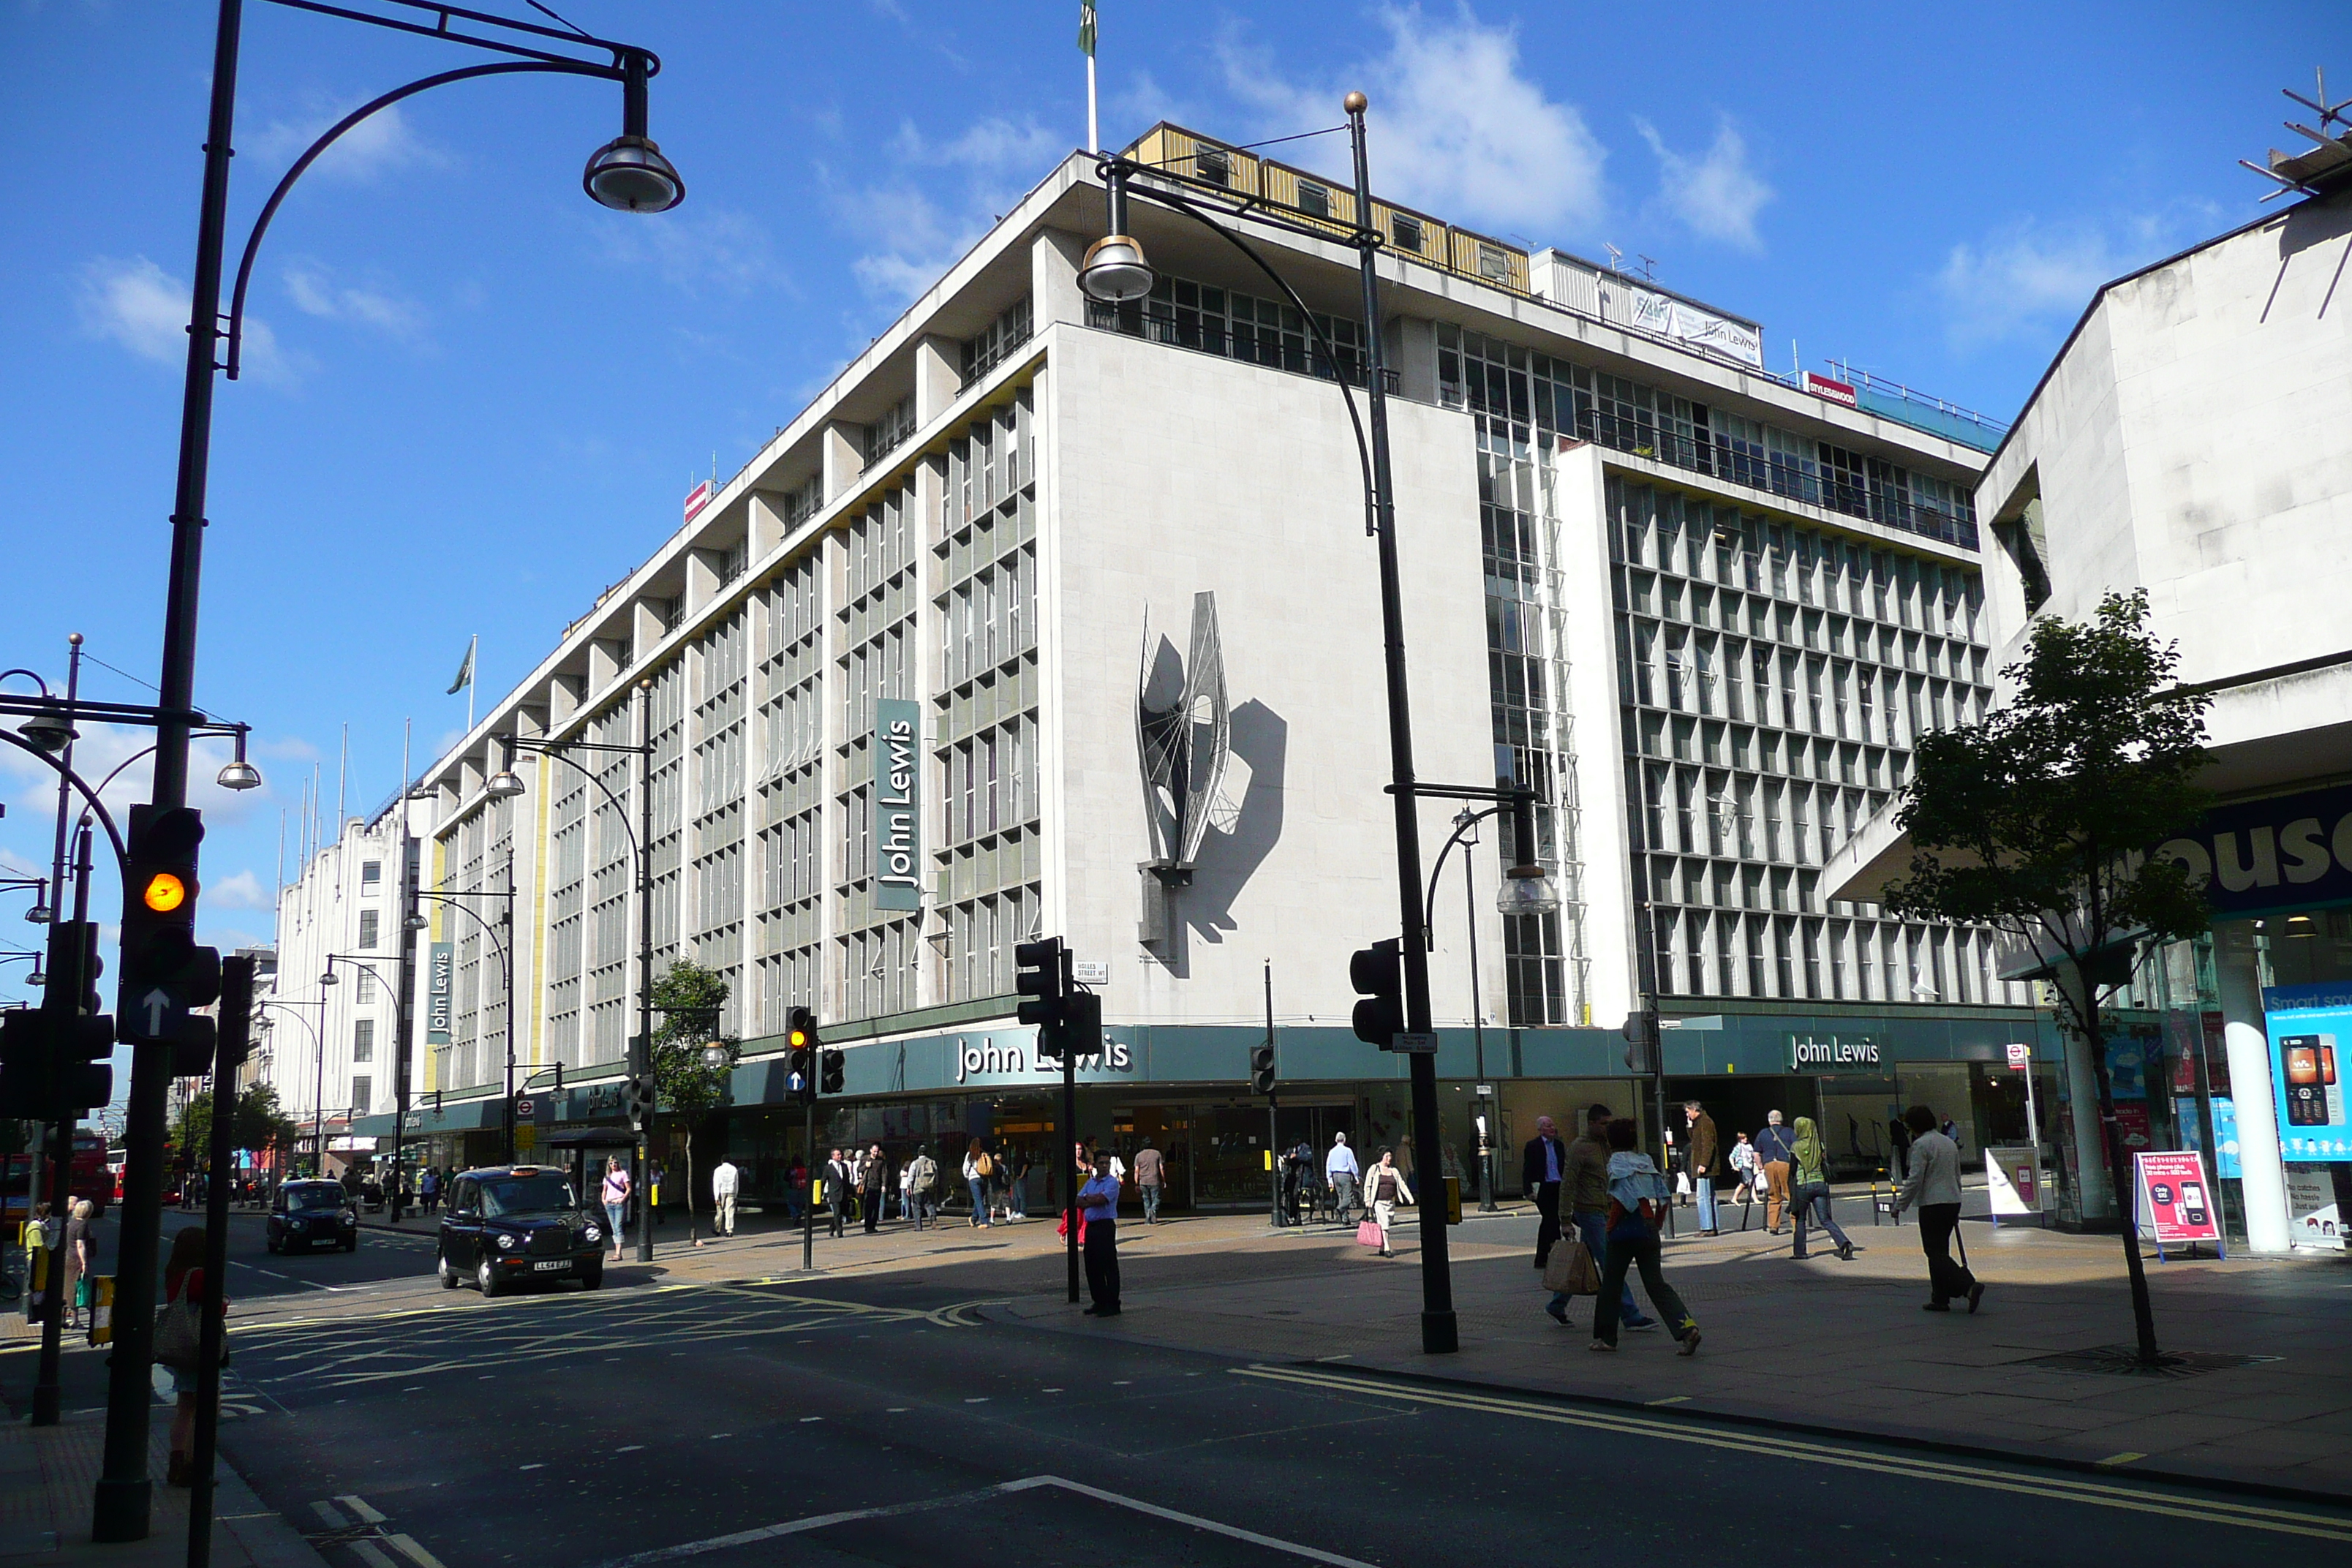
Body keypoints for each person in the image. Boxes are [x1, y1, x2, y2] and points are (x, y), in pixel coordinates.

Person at [1589, 1119, 1702, 1356]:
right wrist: (1657, 1223)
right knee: (1656, 1284)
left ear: (1611, 1141)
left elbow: (1621, 1200)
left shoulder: (1616, 1163)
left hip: (1624, 1229)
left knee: (1611, 1284)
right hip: (1648, 1227)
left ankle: (1607, 1338)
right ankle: (1686, 1327)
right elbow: (1663, 1196)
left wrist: (1610, 1228)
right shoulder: (1645, 1161)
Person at [1556, 1103, 1655, 1332]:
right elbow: (1568, 1183)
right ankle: (1630, 1314)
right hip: (1589, 1211)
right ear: (1591, 1123)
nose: (1607, 1128)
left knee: (1583, 1261)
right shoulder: (1579, 1148)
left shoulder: (1611, 1147)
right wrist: (1564, 1218)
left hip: (1608, 1209)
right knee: (1611, 1263)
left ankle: (1557, 1303)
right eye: (1603, 1124)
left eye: (1609, 1124)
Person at [1893, 1105, 1982, 1313]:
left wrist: (1900, 1205)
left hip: (1932, 1203)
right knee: (1940, 1249)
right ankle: (1940, 1298)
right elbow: (1956, 1175)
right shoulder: (1948, 1143)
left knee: (1934, 1251)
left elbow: (1915, 1179)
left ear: (1914, 1126)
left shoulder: (1921, 1145)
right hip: (1952, 1200)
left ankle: (1968, 1285)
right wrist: (1957, 1201)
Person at [162, 1224, 224, 1485]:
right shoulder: (198, 1275)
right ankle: (194, 1464)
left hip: (181, 1347)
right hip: (199, 1347)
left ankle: (178, 1462)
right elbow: (213, 1308)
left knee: (185, 1407)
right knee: (207, 1408)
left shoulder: (174, 1272)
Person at [1789, 1115, 1855, 1262]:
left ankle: (1800, 1252)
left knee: (1800, 1220)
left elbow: (1793, 1169)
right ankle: (1845, 1243)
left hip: (1804, 1185)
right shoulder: (1819, 1145)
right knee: (1825, 1219)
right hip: (1820, 1184)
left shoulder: (1796, 1146)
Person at [1078, 1150, 1123, 1316]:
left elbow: (1101, 1200)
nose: (1104, 1166)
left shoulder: (1112, 1183)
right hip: (1091, 1227)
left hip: (1105, 1226)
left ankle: (1112, 1303)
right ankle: (1099, 1301)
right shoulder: (1090, 1182)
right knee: (1092, 1265)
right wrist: (1091, 1199)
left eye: (1107, 1163)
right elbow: (1078, 1200)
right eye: (1102, 1163)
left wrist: (1088, 1199)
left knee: (1108, 1265)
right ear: (1095, 1164)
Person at [1522, 1115, 1569, 1270]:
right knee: (1551, 1219)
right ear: (1541, 1129)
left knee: (1551, 1221)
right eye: (1548, 1126)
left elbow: (1564, 1166)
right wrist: (1528, 1190)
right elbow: (1527, 1169)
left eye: (1553, 1125)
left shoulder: (1559, 1145)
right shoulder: (1533, 1146)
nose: (1552, 1128)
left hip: (1558, 1185)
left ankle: (1546, 1256)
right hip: (1542, 1187)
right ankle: (1551, 1254)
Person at [1363, 1147, 1412, 1259]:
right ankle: (1387, 1247)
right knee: (1384, 1223)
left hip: (1390, 1203)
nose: (1389, 1158)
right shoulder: (1374, 1169)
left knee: (1384, 1224)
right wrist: (1368, 1200)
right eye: (1387, 1156)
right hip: (1378, 1203)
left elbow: (1401, 1184)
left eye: (1390, 1156)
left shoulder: (1394, 1171)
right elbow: (1367, 1185)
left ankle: (1381, 1247)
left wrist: (1409, 1197)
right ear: (1382, 1157)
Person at [1754, 1109, 1797, 1234]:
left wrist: (1760, 1166)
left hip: (1769, 1165)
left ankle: (1773, 1225)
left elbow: (1756, 1153)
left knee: (1773, 1195)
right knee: (1790, 1194)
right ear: (1781, 1120)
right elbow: (1795, 1149)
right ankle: (1796, 1224)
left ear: (1769, 1120)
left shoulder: (1763, 1133)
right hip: (1785, 1164)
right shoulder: (1789, 1132)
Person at [1684, 1102, 1721, 1235]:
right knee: (1710, 1196)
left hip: (1704, 1167)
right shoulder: (1701, 1122)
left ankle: (1707, 1227)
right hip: (1706, 1166)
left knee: (1703, 1196)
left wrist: (1704, 1164)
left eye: (1688, 1112)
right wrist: (1689, 1125)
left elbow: (1707, 1144)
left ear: (1695, 1110)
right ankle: (1712, 1226)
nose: (1687, 1115)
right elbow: (1694, 1137)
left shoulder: (1705, 1122)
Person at [61, 1199, 94, 1330]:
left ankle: (63, 1318)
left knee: (67, 1288)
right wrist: (84, 1263)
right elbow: (81, 1245)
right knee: (77, 1289)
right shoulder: (82, 1225)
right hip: (76, 1260)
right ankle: (75, 1321)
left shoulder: (71, 1223)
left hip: (68, 1257)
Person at [600, 1158, 630, 1262]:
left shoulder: (623, 1174)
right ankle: (617, 1252)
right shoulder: (607, 1177)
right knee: (614, 1228)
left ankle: (618, 1253)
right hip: (609, 1204)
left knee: (618, 1226)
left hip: (618, 1204)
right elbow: (605, 1190)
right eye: (611, 1163)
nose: (614, 1165)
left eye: (615, 1163)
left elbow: (628, 1188)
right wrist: (603, 1200)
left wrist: (622, 1199)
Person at [1325, 1132, 1360, 1224]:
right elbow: (1352, 1164)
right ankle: (1339, 1209)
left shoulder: (1332, 1152)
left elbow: (1328, 1166)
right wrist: (1356, 1176)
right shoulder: (1347, 1151)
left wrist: (1330, 1179)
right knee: (1348, 1198)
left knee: (1341, 1197)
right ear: (1344, 1140)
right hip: (1345, 1175)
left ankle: (1345, 1219)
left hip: (1335, 1175)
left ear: (1336, 1140)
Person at [1134, 1138, 1165, 1224]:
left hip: (1143, 1181)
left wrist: (1136, 1183)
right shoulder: (1157, 1154)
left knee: (1146, 1199)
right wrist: (1163, 1179)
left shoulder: (1139, 1155)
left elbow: (1137, 1171)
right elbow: (1161, 1168)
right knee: (1156, 1198)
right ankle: (1153, 1210)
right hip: (1154, 1180)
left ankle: (1148, 1218)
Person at [905, 1145, 938, 1229]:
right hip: (930, 1187)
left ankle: (918, 1226)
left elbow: (911, 1177)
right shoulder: (932, 1162)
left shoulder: (915, 1163)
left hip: (918, 1188)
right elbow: (936, 1175)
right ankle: (933, 1217)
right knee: (929, 1204)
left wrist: (909, 1187)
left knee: (917, 1207)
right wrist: (935, 1184)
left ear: (918, 1153)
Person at [962, 1142, 994, 1229]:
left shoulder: (970, 1154)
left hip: (974, 1179)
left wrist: (967, 1176)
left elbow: (966, 1168)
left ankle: (984, 1221)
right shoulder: (984, 1154)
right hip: (984, 1178)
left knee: (978, 1200)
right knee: (979, 1199)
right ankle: (973, 1218)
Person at [859, 1144, 888, 1234]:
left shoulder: (881, 1161)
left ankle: (873, 1226)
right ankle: (867, 1226)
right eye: (874, 1151)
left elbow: (884, 1173)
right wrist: (866, 1166)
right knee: (868, 1206)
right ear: (871, 1150)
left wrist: (884, 1185)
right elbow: (859, 1169)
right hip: (868, 1186)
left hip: (877, 1186)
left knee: (876, 1207)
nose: (876, 1153)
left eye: (877, 1151)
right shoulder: (865, 1158)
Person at [1726, 1132, 1760, 1207]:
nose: (1746, 1139)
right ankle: (1755, 1199)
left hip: (1750, 1166)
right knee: (1751, 1182)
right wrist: (1734, 1166)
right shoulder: (1739, 1147)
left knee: (1743, 1184)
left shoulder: (1749, 1147)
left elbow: (1753, 1156)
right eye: (1743, 1138)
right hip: (1743, 1167)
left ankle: (1734, 1198)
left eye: (1746, 1137)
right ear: (1740, 1140)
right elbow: (1731, 1157)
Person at [710, 1155, 740, 1238]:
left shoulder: (718, 1170)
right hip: (731, 1191)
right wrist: (736, 1194)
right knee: (730, 1211)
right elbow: (736, 1183)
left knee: (720, 1212)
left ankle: (717, 1229)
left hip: (721, 1192)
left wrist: (716, 1197)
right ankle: (729, 1231)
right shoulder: (734, 1169)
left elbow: (716, 1184)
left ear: (722, 1161)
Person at [824, 1149, 852, 1237]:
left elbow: (847, 1181)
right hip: (834, 1194)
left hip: (843, 1194)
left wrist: (849, 1193)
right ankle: (840, 1232)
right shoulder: (828, 1168)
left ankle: (832, 1227)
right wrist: (822, 1194)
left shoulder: (844, 1166)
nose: (840, 1156)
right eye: (838, 1155)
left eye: (841, 1154)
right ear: (833, 1157)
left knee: (841, 1213)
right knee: (837, 1213)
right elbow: (823, 1180)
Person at [1008, 1147, 1031, 1220]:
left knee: (1021, 1195)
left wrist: (1021, 1175)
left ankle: (1023, 1212)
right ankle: (1017, 1210)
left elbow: (1025, 1166)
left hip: (1020, 1178)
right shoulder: (1016, 1158)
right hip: (1016, 1177)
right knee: (1016, 1196)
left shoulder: (1023, 1158)